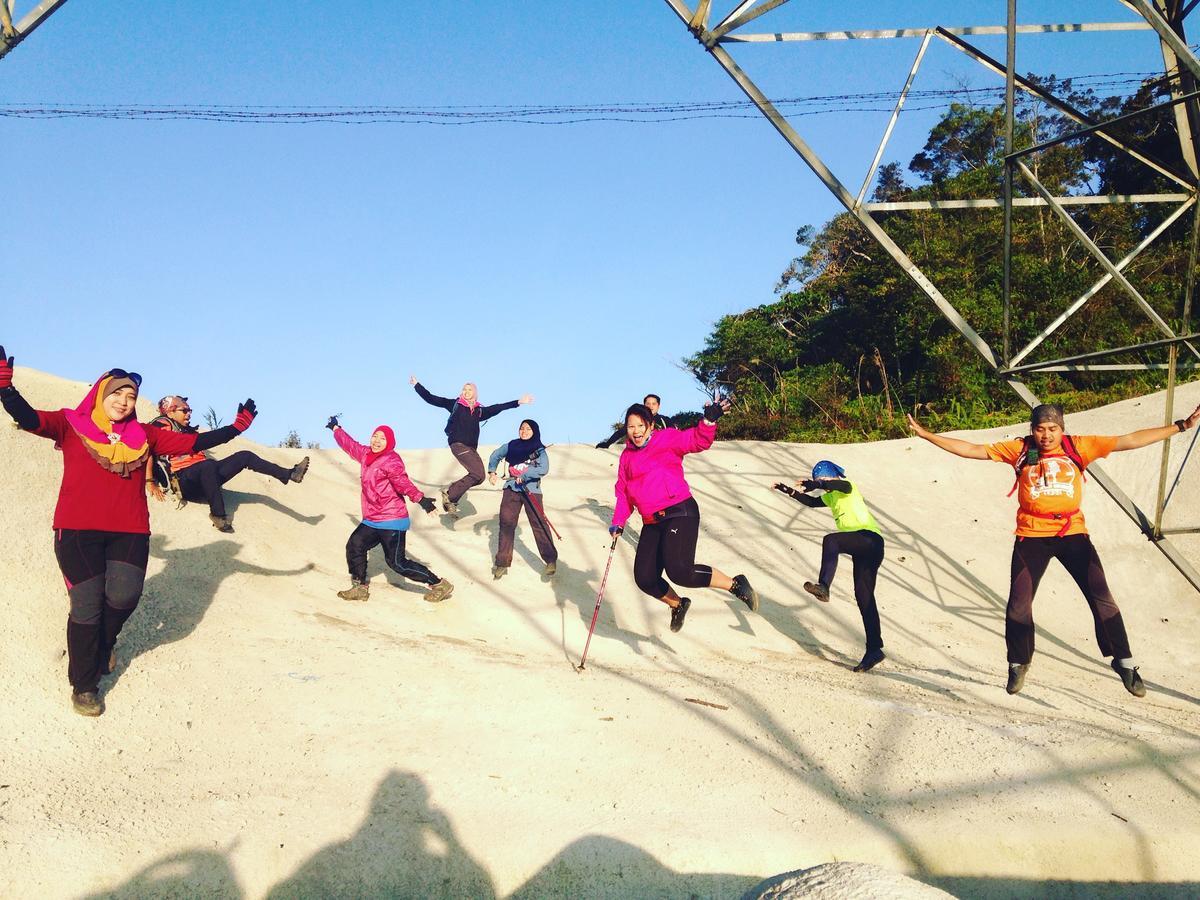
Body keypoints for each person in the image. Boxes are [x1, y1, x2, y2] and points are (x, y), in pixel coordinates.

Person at [0, 346, 257, 716]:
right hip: (76, 531)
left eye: (131, 395)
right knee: (87, 607)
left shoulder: (145, 435)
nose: (124, 400)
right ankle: (84, 686)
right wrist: (7, 391)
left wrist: (236, 428)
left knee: (123, 599)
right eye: (117, 393)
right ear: (102, 395)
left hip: (130, 531)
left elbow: (194, 442)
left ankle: (103, 649)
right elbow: (29, 418)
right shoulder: (70, 423)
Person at [908, 401, 1200, 697]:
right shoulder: (1021, 449)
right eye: (1039, 429)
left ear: (1062, 429)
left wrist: (1181, 426)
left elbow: (1129, 440)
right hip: (1031, 535)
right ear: (1031, 430)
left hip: (1072, 533)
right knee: (1018, 603)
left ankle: (1124, 662)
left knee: (1101, 596)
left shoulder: (1079, 447)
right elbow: (972, 450)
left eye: (1052, 429)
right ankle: (1018, 662)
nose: (1046, 435)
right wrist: (928, 436)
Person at [608, 398, 758, 633]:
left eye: (640, 425)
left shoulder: (666, 439)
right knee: (645, 578)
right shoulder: (626, 457)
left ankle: (735, 584)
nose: (635, 431)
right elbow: (624, 494)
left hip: (679, 511)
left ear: (650, 426)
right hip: (651, 521)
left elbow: (696, 440)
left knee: (679, 570)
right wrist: (618, 522)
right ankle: (677, 604)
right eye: (630, 426)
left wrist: (709, 420)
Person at [773, 461, 887, 673]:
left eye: (825, 480)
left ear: (833, 476)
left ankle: (824, 586)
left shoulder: (847, 487)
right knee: (864, 597)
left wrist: (814, 483)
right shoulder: (831, 496)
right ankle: (874, 649)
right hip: (861, 548)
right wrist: (787, 490)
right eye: (821, 481)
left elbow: (839, 487)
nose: (824, 484)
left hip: (870, 540)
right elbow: (812, 502)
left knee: (831, 541)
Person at [327, 415, 454, 604]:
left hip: (392, 519)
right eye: (375, 436)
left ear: (389, 442)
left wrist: (421, 499)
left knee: (397, 563)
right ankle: (359, 587)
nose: (377, 441)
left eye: (382, 438)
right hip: (372, 518)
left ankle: (438, 584)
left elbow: (402, 483)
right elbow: (350, 445)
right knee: (355, 545)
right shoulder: (366, 454)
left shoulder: (391, 460)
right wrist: (337, 429)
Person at [148, 394, 309, 533]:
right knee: (208, 465)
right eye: (184, 410)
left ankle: (289, 474)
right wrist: (150, 481)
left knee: (244, 456)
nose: (189, 413)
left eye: (190, 410)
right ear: (170, 411)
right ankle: (219, 516)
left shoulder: (187, 430)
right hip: (184, 482)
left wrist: (234, 429)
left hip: (205, 477)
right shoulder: (161, 424)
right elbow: (147, 450)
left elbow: (205, 441)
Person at [409, 376, 533, 515]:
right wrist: (417, 385)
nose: (466, 391)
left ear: (475, 392)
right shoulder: (455, 404)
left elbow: (498, 407)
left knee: (480, 477)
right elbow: (431, 398)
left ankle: (451, 496)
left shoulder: (479, 411)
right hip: (458, 444)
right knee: (477, 473)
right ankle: (450, 494)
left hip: (471, 448)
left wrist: (518, 402)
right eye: (464, 389)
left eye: (469, 389)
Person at [487, 419, 557, 580]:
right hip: (511, 488)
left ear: (535, 431)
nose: (524, 431)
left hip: (531, 490)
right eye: (522, 428)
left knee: (539, 523)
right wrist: (492, 471)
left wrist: (525, 475)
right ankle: (502, 563)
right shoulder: (511, 445)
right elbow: (496, 455)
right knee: (506, 524)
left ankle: (550, 560)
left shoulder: (539, 449)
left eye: (528, 429)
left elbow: (543, 468)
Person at [596, 393, 673, 449]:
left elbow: (675, 436)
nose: (650, 406)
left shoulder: (665, 420)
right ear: (644, 405)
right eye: (648, 404)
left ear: (658, 406)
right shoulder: (637, 421)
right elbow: (621, 432)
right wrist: (607, 443)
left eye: (654, 404)